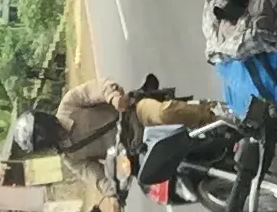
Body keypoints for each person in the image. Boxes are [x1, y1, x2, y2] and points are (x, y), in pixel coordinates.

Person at [11, 77, 222, 195]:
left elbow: (99, 88)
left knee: (162, 113)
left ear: (43, 120)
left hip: (135, 117)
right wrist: (113, 194)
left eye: (40, 135)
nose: (44, 139)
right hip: (134, 153)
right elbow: (97, 178)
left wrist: (114, 99)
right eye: (39, 142)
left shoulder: (70, 103)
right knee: (162, 184)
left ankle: (213, 114)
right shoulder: (70, 158)